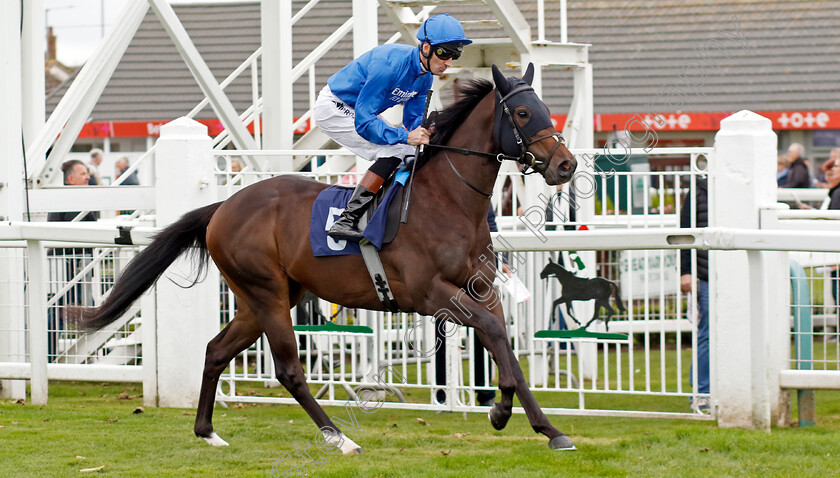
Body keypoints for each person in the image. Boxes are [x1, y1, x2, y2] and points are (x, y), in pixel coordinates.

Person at [313, 14, 472, 241]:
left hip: (359, 111)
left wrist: (430, 132)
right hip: (334, 108)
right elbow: (364, 121)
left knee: (409, 151)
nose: (448, 62)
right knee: (395, 149)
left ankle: (389, 210)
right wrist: (404, 137)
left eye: (455, 55)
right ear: (426, 47)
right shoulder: (388, 67)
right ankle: (347, 218)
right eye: (444, 53)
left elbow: (413, 122)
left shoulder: (426, 77)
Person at [47, 160, 99, 361]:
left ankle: (53, 355)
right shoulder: (72, 199)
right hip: (70, 265)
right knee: (60, 311)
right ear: (70, 179)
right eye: (83, 173)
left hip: (72, 265)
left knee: (67, 309)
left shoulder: (69, 197)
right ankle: (50, 356)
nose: (88, 176)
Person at [679, 177, 709, 413]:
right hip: (706, 274)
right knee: (706, 334)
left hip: (732, 271)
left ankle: (703, 390)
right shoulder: (698, 188)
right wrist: (686, 271)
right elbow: (685, 231)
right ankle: (701, 393)